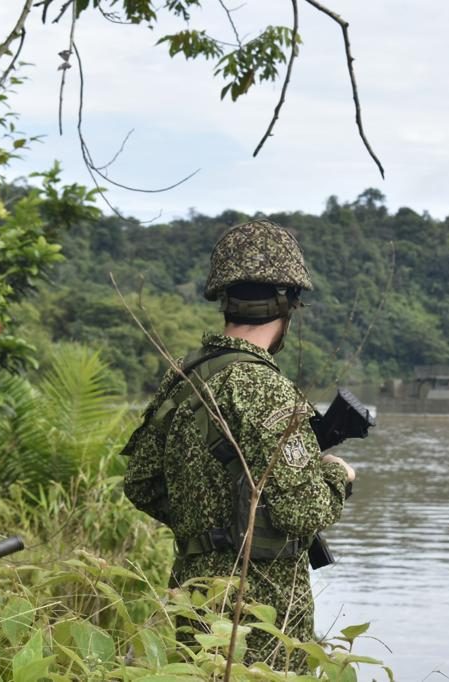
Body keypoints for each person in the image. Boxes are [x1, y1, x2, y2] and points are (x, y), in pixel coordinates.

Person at [122, 219, 354, 669]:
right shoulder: (266, 386)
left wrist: (205, 521)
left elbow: (142, 484)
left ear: (225, 299)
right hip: (262, 614)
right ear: (287, 302)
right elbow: (302, 511)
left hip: (195, 594)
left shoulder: (183, 377)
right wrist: (336, 476)